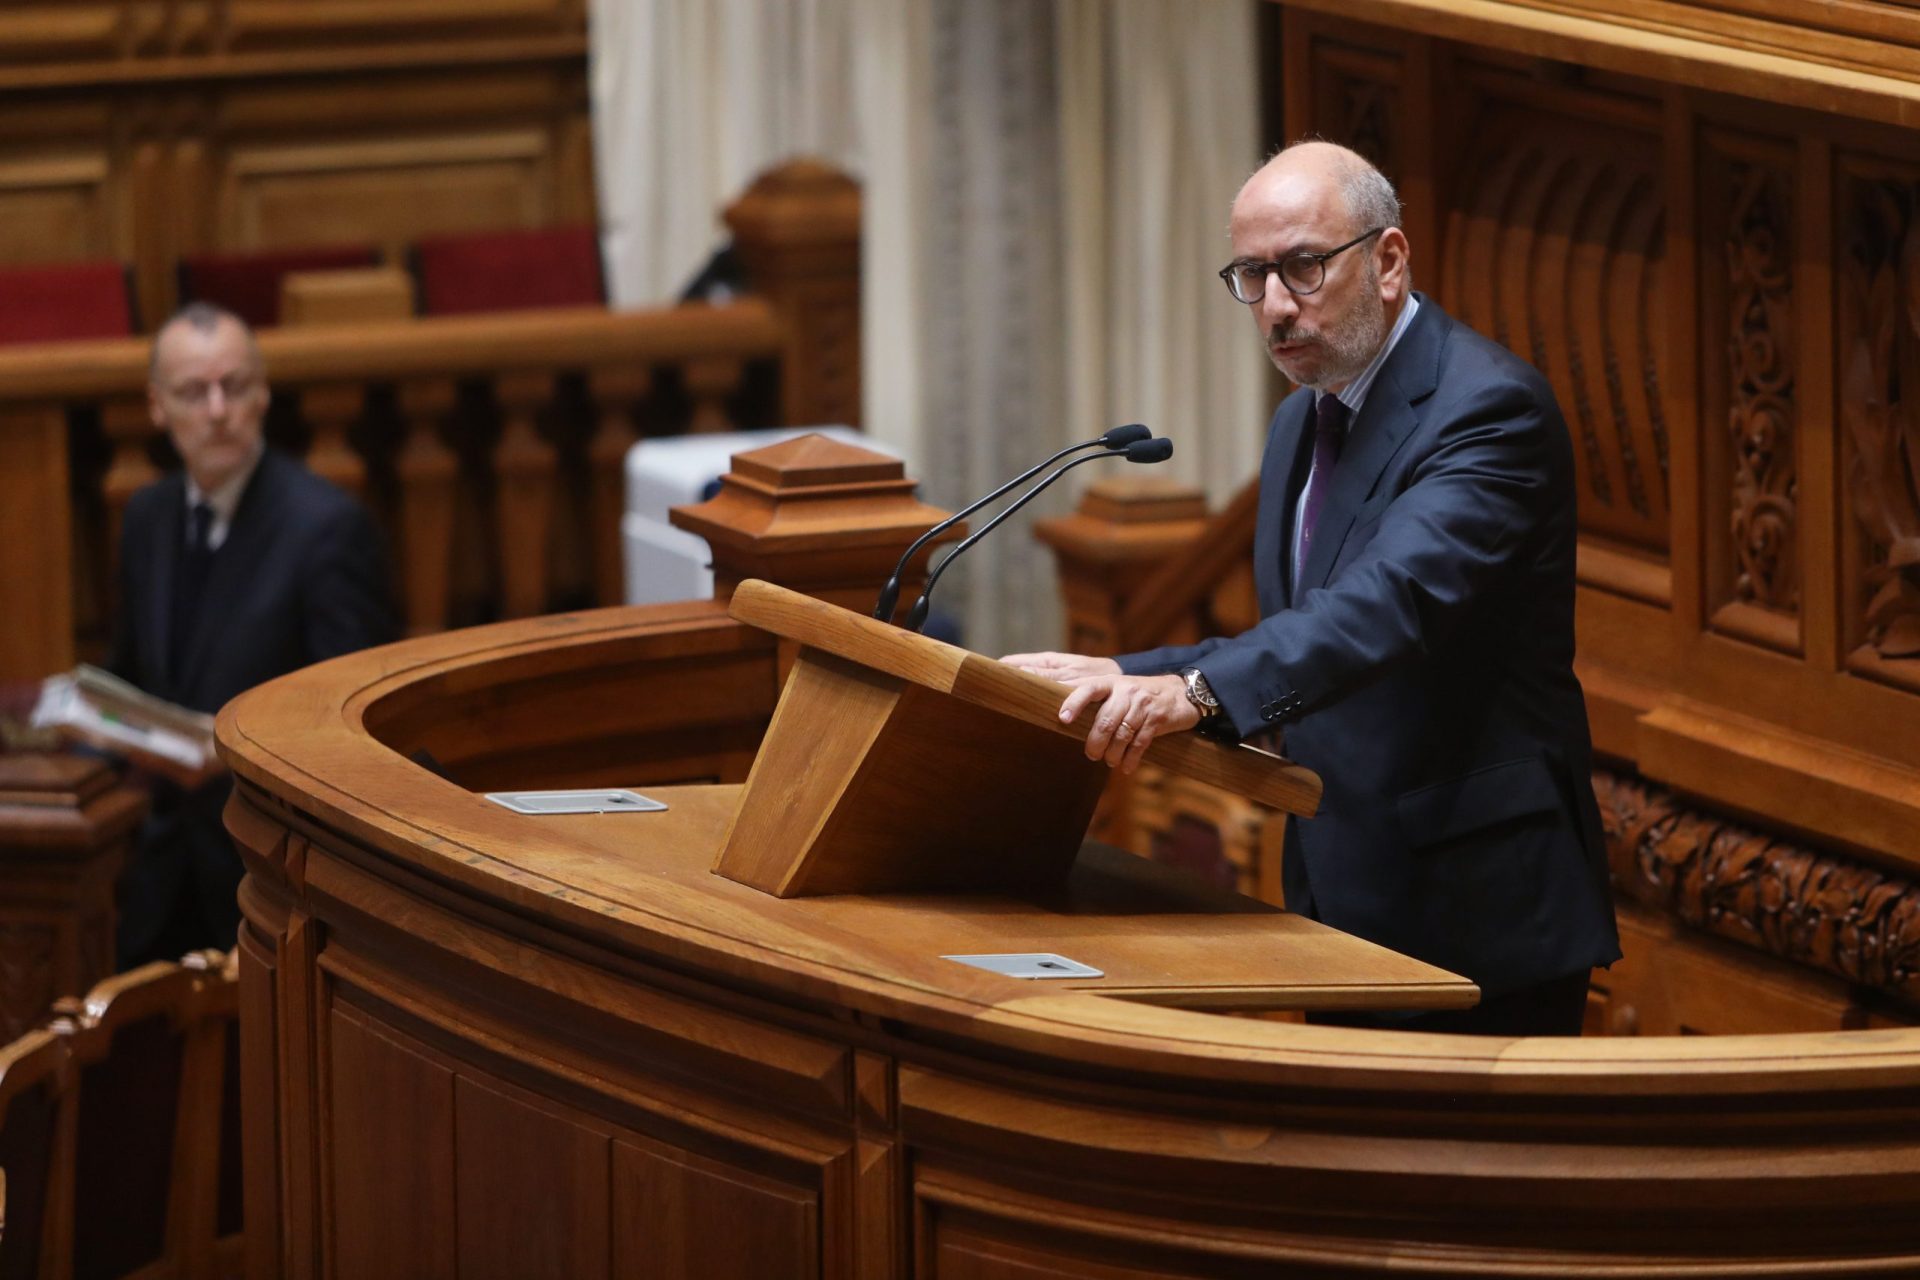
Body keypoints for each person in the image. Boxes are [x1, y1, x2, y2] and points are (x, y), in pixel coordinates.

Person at [1005, 141, 1620, 1036]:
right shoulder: (1305, 417)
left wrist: (1192, 694)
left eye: (1303, 267)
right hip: (1346, 888)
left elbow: (1386, 604)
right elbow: (1301, 629)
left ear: (1389, 260)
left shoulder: (1489, 410)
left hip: (1476, 911)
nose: (1278, 306)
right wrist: (1118, 669)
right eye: (1253, 276)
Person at [109, 302, 395, 967]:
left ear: (262, 394)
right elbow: (130, 673)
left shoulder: (326, 529)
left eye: (234, 387)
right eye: (193, 392)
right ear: (157, 406)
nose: (217, 409)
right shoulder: (148, 518)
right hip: (159, 870)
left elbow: (350, 729)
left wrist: (229, 753)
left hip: (267, 877)